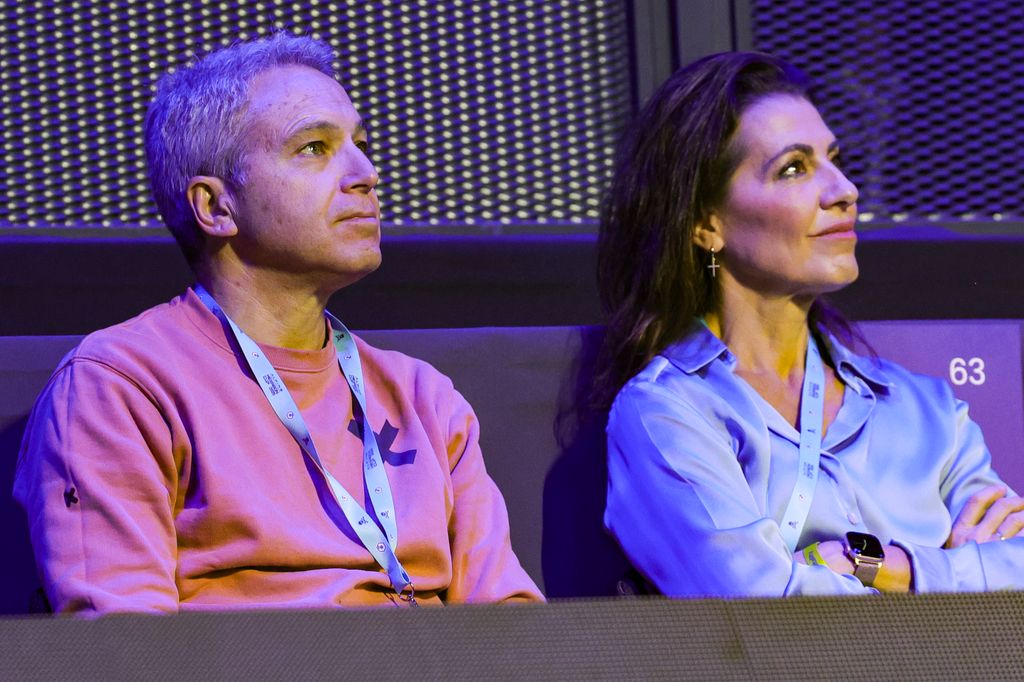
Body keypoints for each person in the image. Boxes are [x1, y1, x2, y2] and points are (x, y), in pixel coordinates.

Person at [14, 33, 542, 613]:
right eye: (314, 148)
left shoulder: (426, 399)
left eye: (361, 145)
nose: (366, 174)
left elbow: (510, 625)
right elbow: (124, 650)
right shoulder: (119, 388)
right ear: (216, 207)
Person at [595, 51, 1024, 597]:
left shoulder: (928, 410)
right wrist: (958, 574)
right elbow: (763, 609)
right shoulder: (667, 414)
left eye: (834, 159)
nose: (844, 190)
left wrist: (875, 562)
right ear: (707, 224)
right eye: (794, 168)